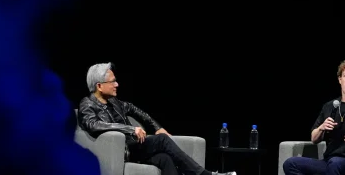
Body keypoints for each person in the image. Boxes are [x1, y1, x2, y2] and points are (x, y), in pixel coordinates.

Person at [78, 63, 236, 175]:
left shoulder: (115, 102)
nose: (117, 84)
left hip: (134, 147)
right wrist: (131, 129)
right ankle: (205, 174)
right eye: (113, 81)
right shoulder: (87, 104)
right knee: (162, 140)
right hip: (121, 150)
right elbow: (93, 125)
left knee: (164, 159)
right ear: (99, 86)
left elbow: (137, 111)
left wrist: (156, 127)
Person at [283, 59, 345, 175]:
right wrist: (321, 128)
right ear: (340, 80)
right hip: (328, 161)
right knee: (290, 163)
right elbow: (314, 138)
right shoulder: (330, 106)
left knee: (335, 163)